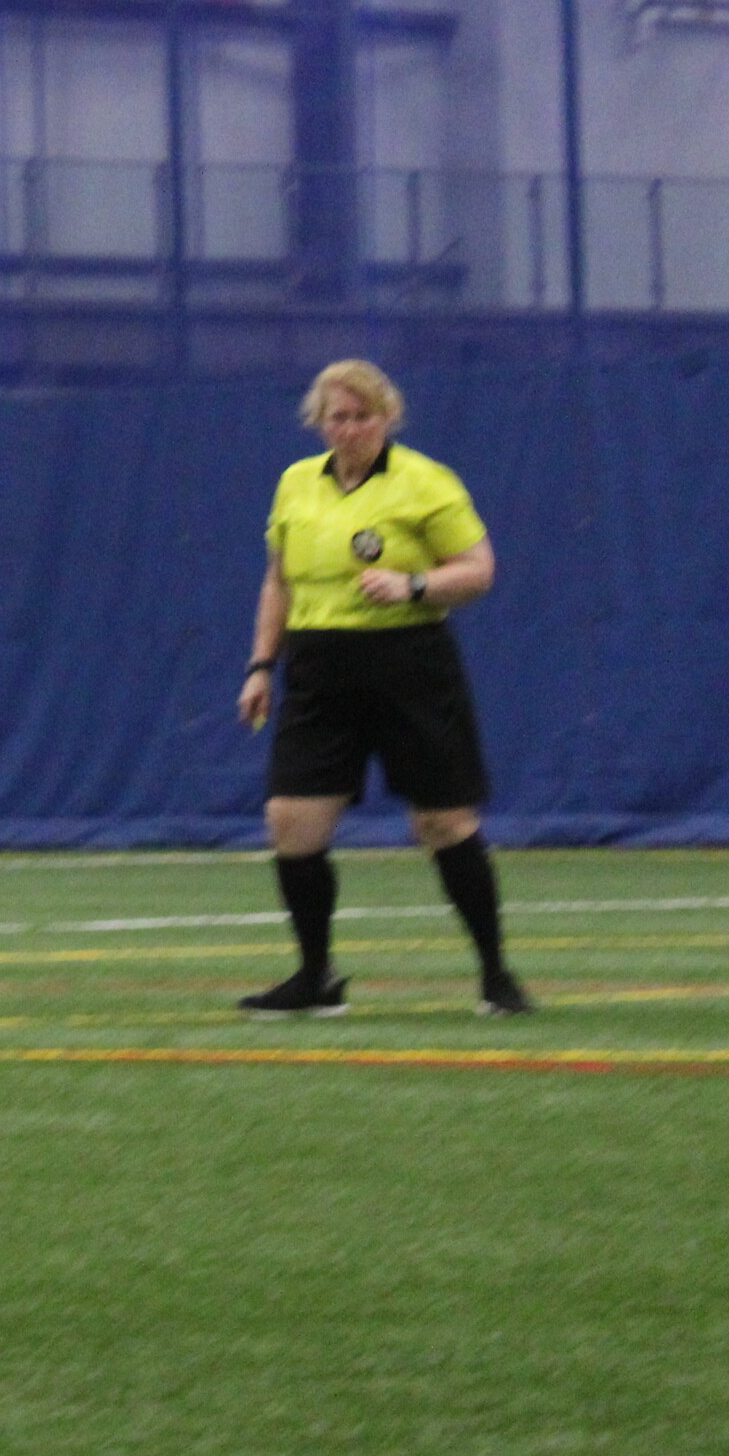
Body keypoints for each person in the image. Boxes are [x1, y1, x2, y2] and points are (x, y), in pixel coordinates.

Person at [236, 359, 530, 1017]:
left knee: (443, 820)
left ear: (388, 418)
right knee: (292, 821)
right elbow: (277, 582)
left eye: (363, 416)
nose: (350, 429)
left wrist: (414, 585)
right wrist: (262, 666)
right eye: (337, 417)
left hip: (407, 663)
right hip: (318, 667)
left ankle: (495, 975)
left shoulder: (425, 483)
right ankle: (316, 978)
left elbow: (479, 569)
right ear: (318, 423)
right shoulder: (295, 486)